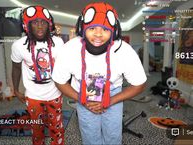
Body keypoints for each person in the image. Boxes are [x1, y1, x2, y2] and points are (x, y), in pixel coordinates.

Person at [52, 2, 147, 144]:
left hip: (113, 92)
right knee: (90, 136)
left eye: (105, 29)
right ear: (82, 28)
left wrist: (111, 100)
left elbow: (139, 84)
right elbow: (59, 80)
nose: (98, 34)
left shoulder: (124, 51)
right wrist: (81, 98)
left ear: (113, 31)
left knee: (113, 136)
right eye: (92, 28)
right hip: (83, 91)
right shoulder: (69, 49)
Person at [11, 5, 64, 145]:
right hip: (33, 96)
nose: (40, 26)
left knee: (57, 129)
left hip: (55, 94)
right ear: (26, 25)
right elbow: (16, 68)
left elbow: (63, 67)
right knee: (36, 129)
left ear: (49, 24)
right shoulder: (19, 45)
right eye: (35, 22)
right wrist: (16, 89)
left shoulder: (58, 43)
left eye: (43, 22)